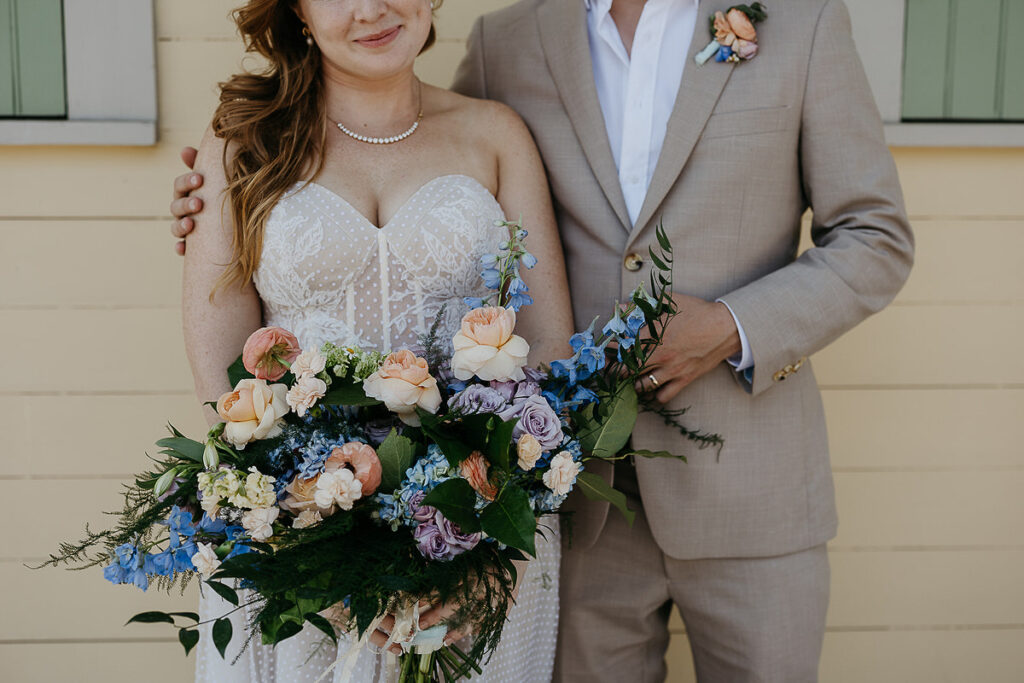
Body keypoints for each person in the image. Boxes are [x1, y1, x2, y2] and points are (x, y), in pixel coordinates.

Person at [175, 0, 914, 680]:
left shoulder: (801, 22)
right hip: (571, 516)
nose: (370, 6)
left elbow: (875, 238)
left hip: (735, 489)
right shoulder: (511, 41)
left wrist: (730, 327)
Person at [180, 0, 573, 681]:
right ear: (297, 11)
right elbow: (223, 383)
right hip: (301, 550)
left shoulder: (496, 134)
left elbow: (546, 347)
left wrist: (479, 540)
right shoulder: (244, 147)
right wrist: (315, 551)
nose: (371, 9)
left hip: (479, 546)